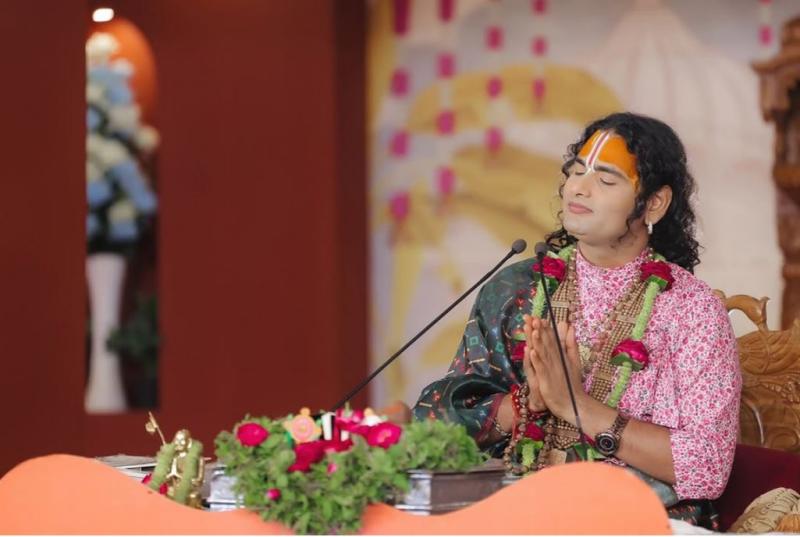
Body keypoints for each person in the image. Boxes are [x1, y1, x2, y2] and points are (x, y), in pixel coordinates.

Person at [413, 112, 741, 528]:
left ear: (654, 203)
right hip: (513, 510)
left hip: (640, 520)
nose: (578, 188)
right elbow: (436, 424)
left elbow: (707, 466)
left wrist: (577, 406)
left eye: (606, 180)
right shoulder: (516, 291)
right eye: (576, 171)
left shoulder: (691, 309)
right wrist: (526, 405)